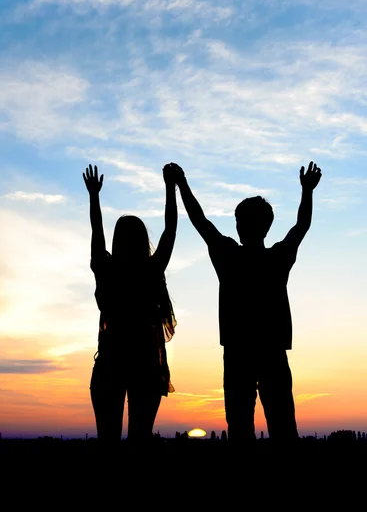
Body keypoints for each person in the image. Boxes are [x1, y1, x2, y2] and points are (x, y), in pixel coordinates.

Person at [170, 161, 322, 446]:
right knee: (280, 427)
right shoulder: (276, 257)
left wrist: (182, 184)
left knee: (246, 428)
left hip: (243, 353)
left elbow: (200, 221)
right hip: (268, 352)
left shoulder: (229, 255)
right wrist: (307, 191)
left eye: (242, 220)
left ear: (249, 225)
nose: (239, 225)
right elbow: (301, 226)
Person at [83, 163, 178, 449]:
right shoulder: (151, 270)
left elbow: (96, 232)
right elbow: (170, 230)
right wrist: (169, 188)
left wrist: (94, 196)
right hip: (145, 363)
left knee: (108, 441)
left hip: (112, 362)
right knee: (140, 440)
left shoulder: (107, 269)